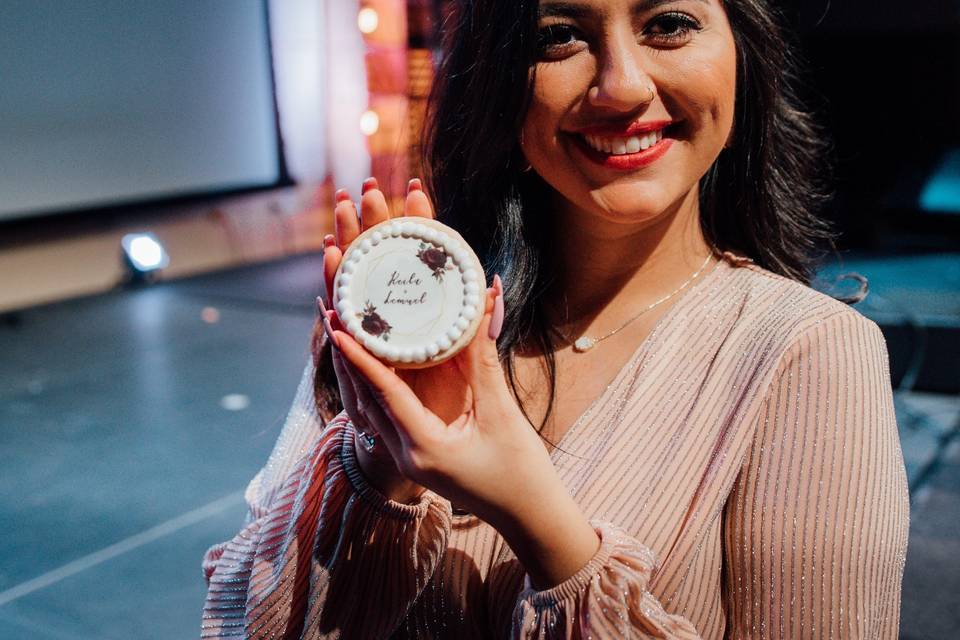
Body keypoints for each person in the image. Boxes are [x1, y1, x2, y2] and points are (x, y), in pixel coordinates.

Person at [201, 0, 909, 637]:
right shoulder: (402, 317)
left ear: (743, 58)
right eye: (560, 37)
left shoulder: (809, 352)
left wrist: (540, 524)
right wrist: (378, 467)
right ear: (501, 87)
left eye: (668, 24)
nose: (623, 86)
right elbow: (241, 627)